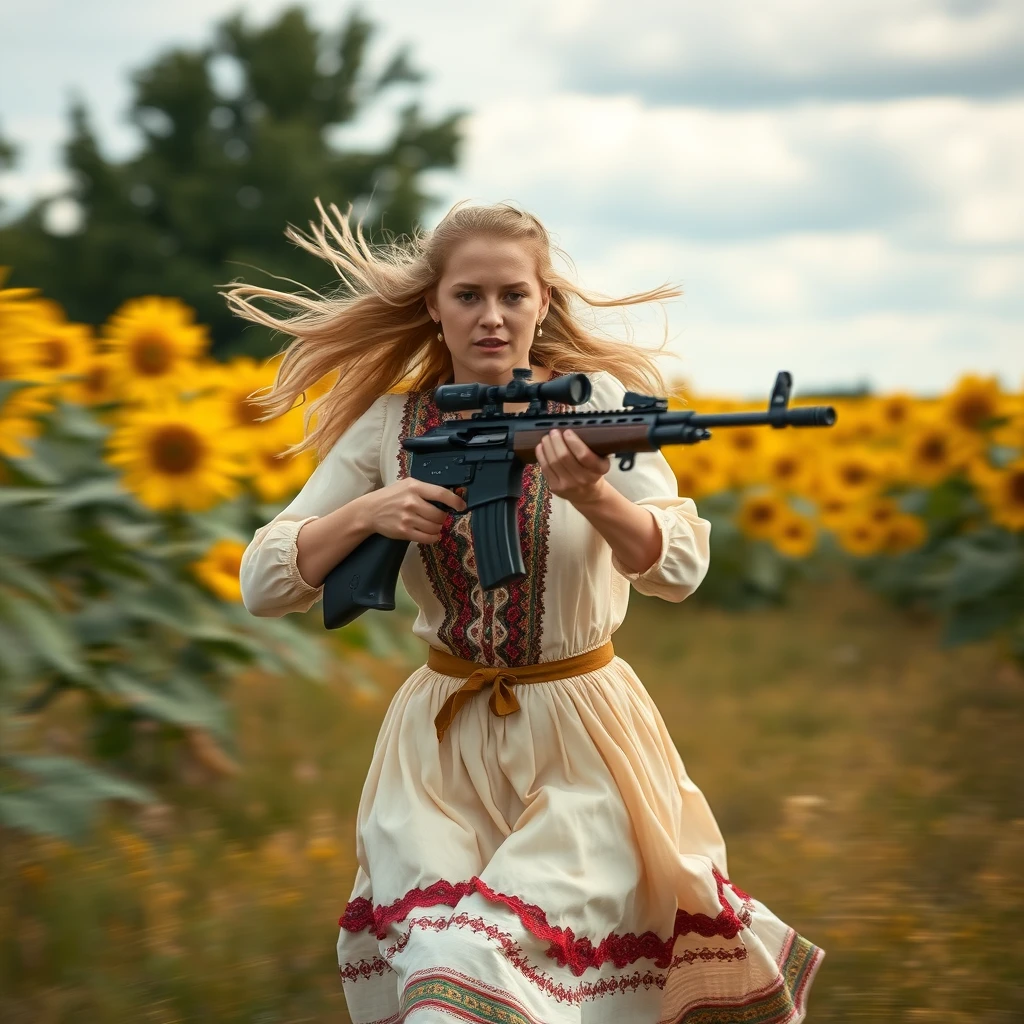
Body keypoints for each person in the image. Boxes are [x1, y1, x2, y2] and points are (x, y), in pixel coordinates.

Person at [226, 199, 823, 1023]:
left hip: (582, 743)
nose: (493, 317)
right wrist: (370, 513)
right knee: (443, 993)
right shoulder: (391, 425)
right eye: (469, 295)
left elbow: (679, 567)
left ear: (545, 301)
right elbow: (264, 582)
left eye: (514, 295)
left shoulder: (600, 406)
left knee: (500, 974)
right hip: (437, 755)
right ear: (433, 305)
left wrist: (597, 495)